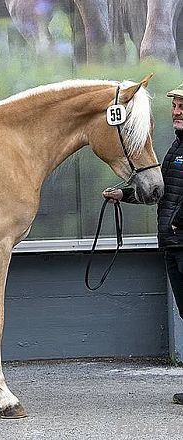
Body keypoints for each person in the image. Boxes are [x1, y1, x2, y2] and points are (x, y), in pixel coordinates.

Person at [103, 83, 183, 404]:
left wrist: (179, 220)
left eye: (182, 107)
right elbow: (158, 191)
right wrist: (123, 194)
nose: (176, 112)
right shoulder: (176, 150)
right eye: (175, 106)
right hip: (173, 245)